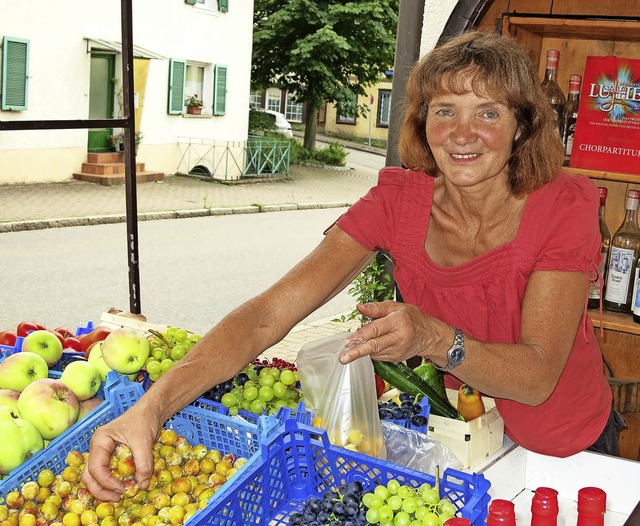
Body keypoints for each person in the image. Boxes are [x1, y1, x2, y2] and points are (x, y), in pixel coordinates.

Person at [83, 30, 620, 501]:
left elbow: (536, 377)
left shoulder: (562, 206)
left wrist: (434, 338)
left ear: (522, 127)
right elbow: (269, 314)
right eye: (444, 111)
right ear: (422, 122)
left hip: (569, 447)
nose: (462, 132)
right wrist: (152, 408)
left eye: (488, 112)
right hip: (470, 442)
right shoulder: (398, 204)